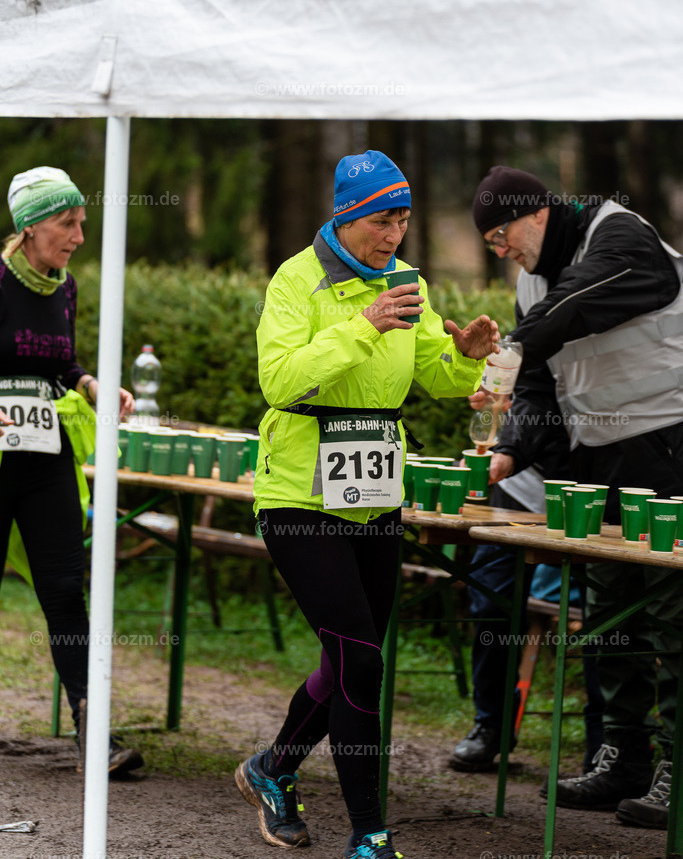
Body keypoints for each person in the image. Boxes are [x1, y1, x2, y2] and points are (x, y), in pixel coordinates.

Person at [235, 150, 500, 859]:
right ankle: (370, 834)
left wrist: (466, 357)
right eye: (382, 221)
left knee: (355, 659)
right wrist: (363, 326)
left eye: (404, 222)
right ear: (348, 217)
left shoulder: (406, 281)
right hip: (298, 495)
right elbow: (280, 381)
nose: (394, 237)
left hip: (373, 491)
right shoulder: (297, 280)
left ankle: (272, 769)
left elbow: (431, 376)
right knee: (360, 661)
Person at [470, 164, 683, 830]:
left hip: (669, 445)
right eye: (487, 242)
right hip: (597, 455)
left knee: (673, 614)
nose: (498, 250)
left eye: (500, 234)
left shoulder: (618, 234)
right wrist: (508, 448)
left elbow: (581, 301)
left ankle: (679, 768)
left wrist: (510, 347)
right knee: (609, 610)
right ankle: (620, 757)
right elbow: (537, 388)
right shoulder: (529, 284)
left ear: (536, 212)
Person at [0, 166, 143, 777]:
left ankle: (95, 734)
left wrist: (89, 384)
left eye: (82, 221)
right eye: (68, 223)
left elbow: (62, 363)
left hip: (45, 455)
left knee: (64, 588)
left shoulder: (65, 288)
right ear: (30, 228)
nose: (81, 235)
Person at [450, 372, 604, 774]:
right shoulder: (527, 335)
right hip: (513, 495)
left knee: (602, 618)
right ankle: (490, 727)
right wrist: (496, 399)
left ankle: (604, 749)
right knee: (490, 608)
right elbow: (507, 399)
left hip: (586, 499)